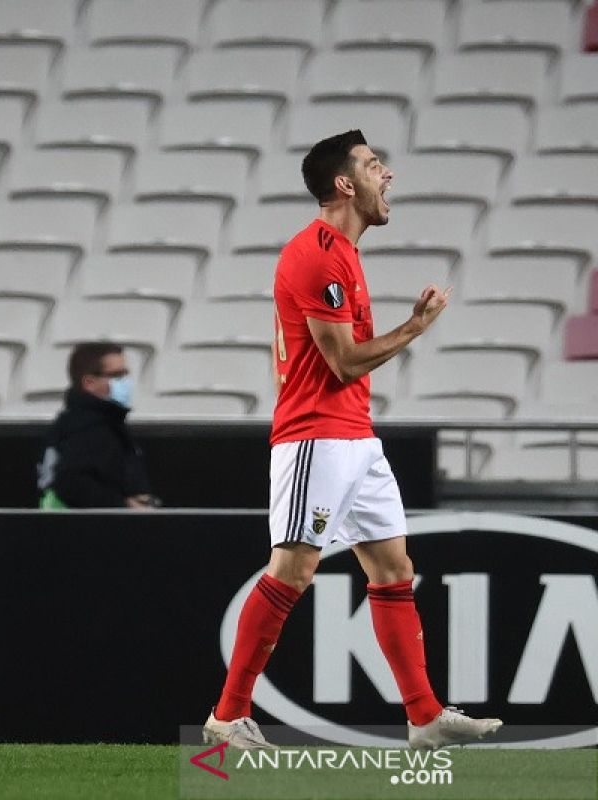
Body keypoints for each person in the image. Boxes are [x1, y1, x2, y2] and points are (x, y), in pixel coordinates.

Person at [201, 130, 502, 751]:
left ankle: (423, 718)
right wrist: (415, 327)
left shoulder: (340, 252)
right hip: (317, 437)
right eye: (372, 165)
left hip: (354, 438)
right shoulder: (317, 253)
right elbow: (342, 363)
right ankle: (227, 716)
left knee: (394, 569)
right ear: (345, 183)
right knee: (292, 572)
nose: (385, 174)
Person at [37, 343, 158, 510]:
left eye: (126, 374)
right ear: (89, 382)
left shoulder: (73, 422)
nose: (125, 381)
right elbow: (71, 483)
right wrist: (124, 505)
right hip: (86, 532)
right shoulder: (90, 428)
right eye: (117, 375)